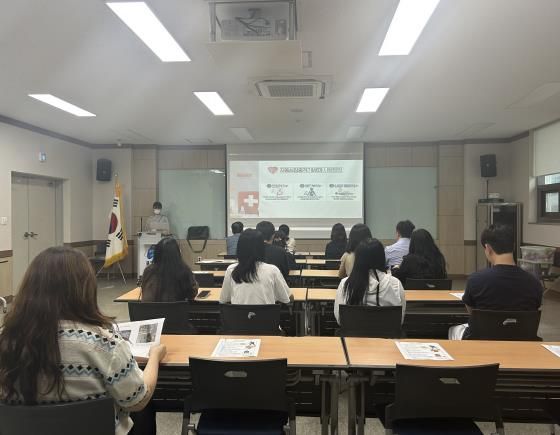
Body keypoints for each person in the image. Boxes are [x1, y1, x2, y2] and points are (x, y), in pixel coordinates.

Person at [0, 247, 166, 435]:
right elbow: (138, 400)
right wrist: (154, 356)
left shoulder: (6, 340)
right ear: (85, 288)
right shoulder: (104, 343)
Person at [449, 225, 543, 340]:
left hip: (481, 340)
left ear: (488, 248)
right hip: (522, 341)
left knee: (453, 330)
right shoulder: (534, 283)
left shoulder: (475, 280)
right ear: (513, 246)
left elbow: (472, 312)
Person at [334, 239, 405, 324]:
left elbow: (340, 319)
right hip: (387, 332)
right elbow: (400, 320)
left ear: (357, 259)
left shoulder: (345, 284)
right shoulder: (395, 284)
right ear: (382, 258)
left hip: (353, 332)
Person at [220, 229, 293, 304]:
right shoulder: (272, 270)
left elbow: (223, 299)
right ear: (261, 248)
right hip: (267, 312)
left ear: (239, 248)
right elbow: (288, 298)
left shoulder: (231, 269)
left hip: (238, 312)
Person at [141, 237, 198, 302]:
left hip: (150, 308)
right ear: (177, 254)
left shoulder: (148, 271)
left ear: (156, 253)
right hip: (176, 308)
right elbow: (192, 294)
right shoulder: (184, 270)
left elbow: (144, 292)